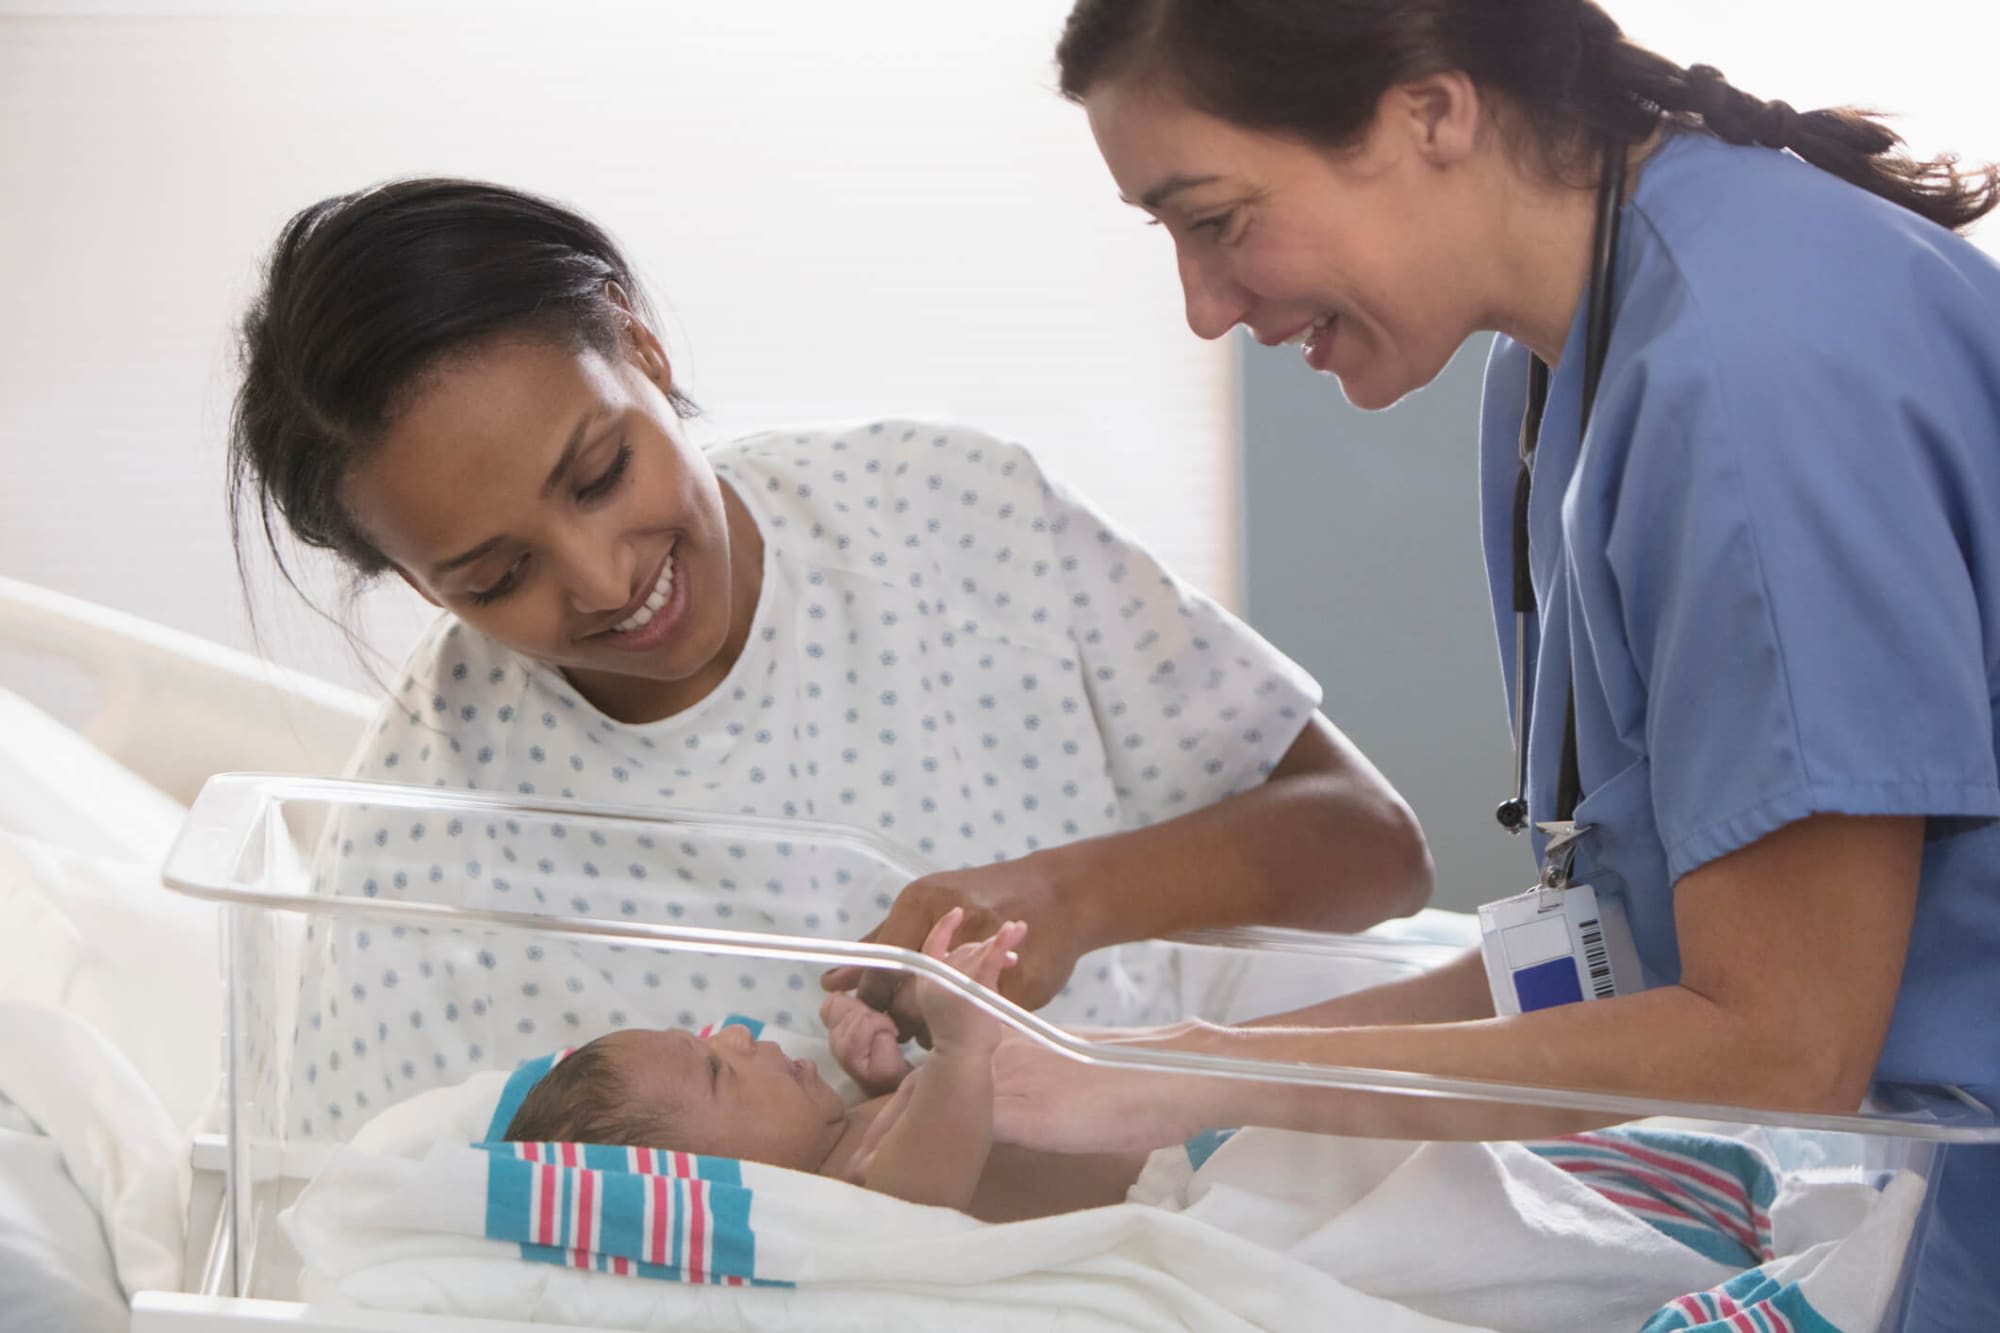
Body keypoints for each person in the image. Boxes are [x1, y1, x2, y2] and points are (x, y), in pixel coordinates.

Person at [982, 3, 2000, 1328]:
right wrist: (1133, 1060)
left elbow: (1779, 1038)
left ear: (1433, 110)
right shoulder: (1558, 369)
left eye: (1218, 218)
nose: (1201, 305)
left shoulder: (1750, 385)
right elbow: (1630, 938)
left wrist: (1203, 1080)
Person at [225, 178, 1432, 1136]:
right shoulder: (413, 855)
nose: (602, 579)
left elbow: (1375, 850)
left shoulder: (948, 511)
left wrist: (1073, 894)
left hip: (1181, 1179)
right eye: (494, 578)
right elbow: (359, 1228)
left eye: (599, 474)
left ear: (641, 351)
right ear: (415, 585)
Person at [502, 909, 1148, 1220]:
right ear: (708, 1185)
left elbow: (960, 1138)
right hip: (1177, 1176)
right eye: (716, 1070)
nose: (734, 1035)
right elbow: (925, 1196)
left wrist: (891, 1081)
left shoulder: (849, 1140)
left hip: (1157, 1122)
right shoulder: (837, 1208)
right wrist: (957, 1050)